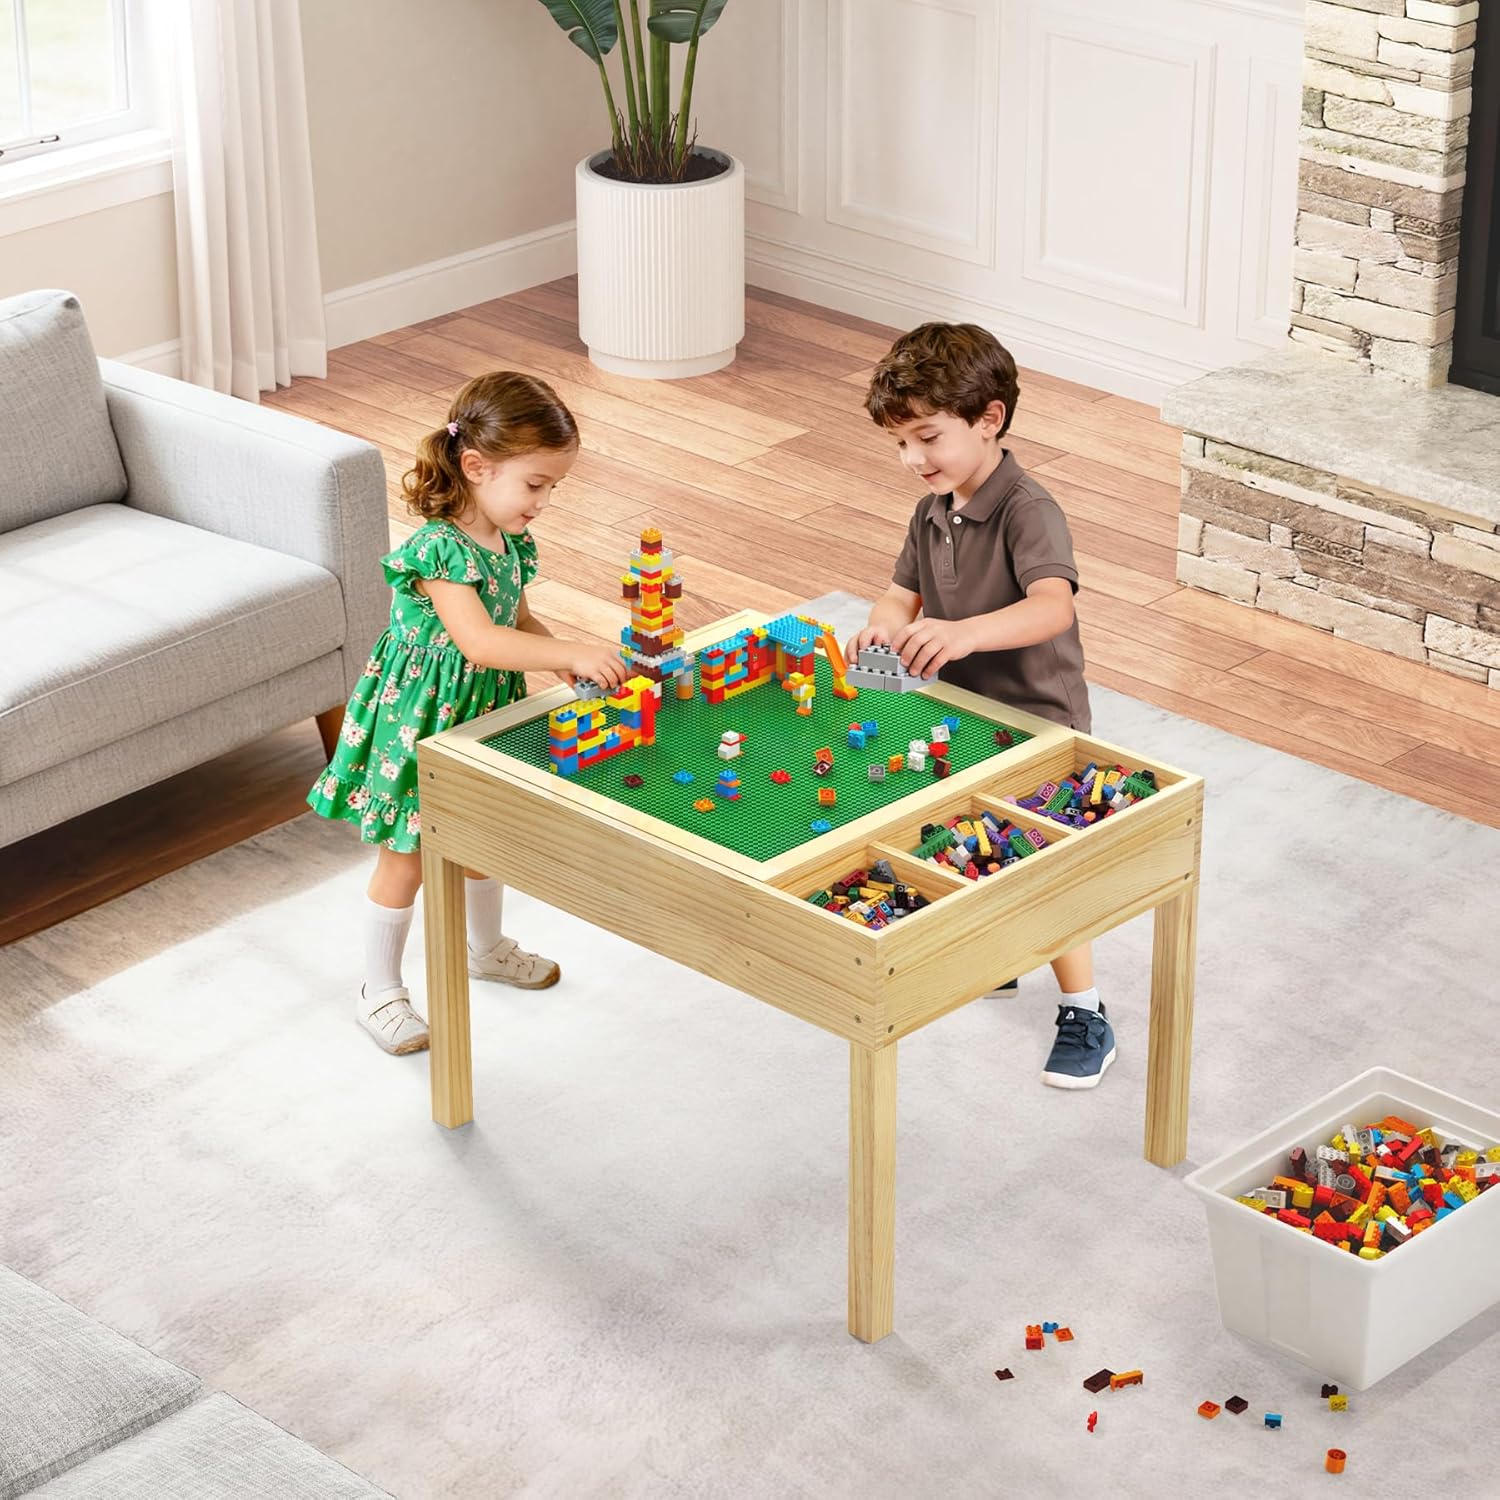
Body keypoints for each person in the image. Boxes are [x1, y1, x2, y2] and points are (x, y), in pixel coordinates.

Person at [308, 370, 628, 1055]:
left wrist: (565, 665)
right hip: (422, 720)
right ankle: (378, 990)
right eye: (535, 485)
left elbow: (517, 620)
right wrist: (578, 646)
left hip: (484, 713)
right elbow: (477, 640)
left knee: (486, 841)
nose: (542, 502)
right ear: (476, 466)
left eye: (552, 488)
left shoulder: (510, 543)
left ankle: (485, 948)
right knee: (409, 857)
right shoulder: (438, 549)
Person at [845, 322, 1112, 1089]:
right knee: (966, 835)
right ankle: (997, 956)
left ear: (989, 419)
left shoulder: (1028, 509)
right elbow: (900, 594)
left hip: (1039, 721)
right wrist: (884, 631)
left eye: (927, 438)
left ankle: (1086, 1010)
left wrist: (961, 635)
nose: (914, 460)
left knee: (1047, 867)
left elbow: (1051, 608)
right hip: (962, 721)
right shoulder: (931, 512)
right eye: (900, 444)